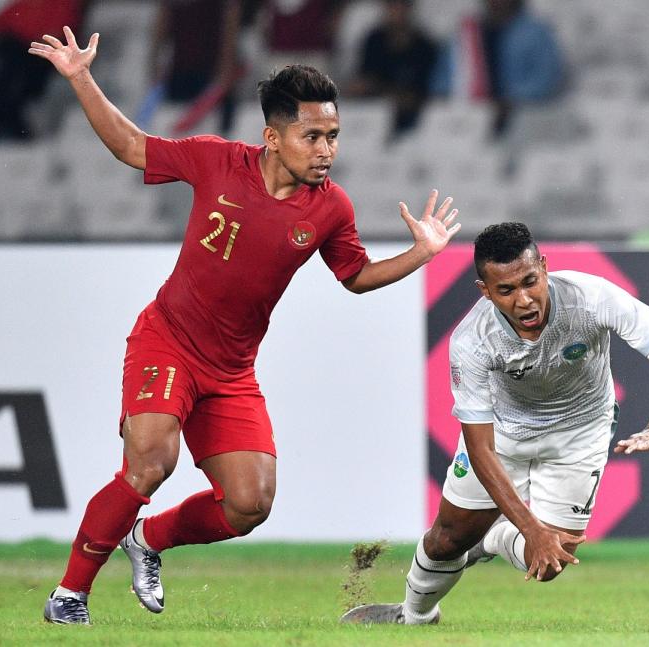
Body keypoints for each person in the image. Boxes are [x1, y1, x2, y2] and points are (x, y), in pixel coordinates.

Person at [29, 26, 461, 625]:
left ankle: (147, 540)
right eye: (312, 137)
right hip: (167, 339)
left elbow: (356, 276)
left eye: (333, 136)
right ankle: (69, 595)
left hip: (231, 370)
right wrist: (81, 77)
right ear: (272, 137)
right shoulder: (216, 160)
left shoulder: (331, 207)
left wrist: (422, 253)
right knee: (151, 462)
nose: (326, 150)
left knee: (250, 504)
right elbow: (132, 147)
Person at [341, 222, 649, 625]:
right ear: (485, 290)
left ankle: (490, 538)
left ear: (544, 268)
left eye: (530, 281)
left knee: (552, 560)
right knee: (446, 541)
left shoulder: (592, 297)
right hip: (505, 433)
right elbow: (480, 449)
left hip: (580, 432)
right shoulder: (472, 341)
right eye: (506, 291)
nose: (525, 300)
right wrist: (529, 527)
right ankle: (414, 617)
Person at [430, 0, 564, 135]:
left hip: (523, 119)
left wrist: (511, 100)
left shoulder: (536, 32)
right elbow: (443, 78)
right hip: (467, 120)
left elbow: (546, 79)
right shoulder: (467, 33)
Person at [0, 0, 90, 161]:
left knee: (6, 97)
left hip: (28, 48)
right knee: (2, 97)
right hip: (18, 44)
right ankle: (12, 131)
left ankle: (13, 131)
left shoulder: (64, 7)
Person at [147, 0, 243, 134]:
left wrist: (226, 67)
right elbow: (162, 22)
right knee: (177, 129)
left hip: (209, 73)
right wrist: (154, 60)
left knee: (208, 132)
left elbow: (230, 25)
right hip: (181, 71)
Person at [346, 0, 438, 139]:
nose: (396, 12)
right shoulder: (374, 40)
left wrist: (386, 92)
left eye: (400, 7)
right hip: (373, 113)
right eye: (392, 7)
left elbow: (421, 94)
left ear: (409, 9)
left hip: (411, 119)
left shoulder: (424, 46)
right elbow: (363, 80)